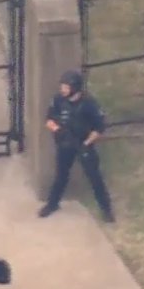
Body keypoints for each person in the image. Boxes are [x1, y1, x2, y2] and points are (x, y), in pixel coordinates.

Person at [38, 70, 115, 223]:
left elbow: (99, 127)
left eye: (66, 87)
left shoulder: (88, 104)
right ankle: (52, 204)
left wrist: (87, 143)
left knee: (95, 177)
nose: (62, 89)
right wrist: (58, 130)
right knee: (61, 175)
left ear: (75, 88)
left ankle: (106, 209)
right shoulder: (58, 100)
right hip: (64, 145)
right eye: (62, 86)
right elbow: (48, 119)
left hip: (83, 144)